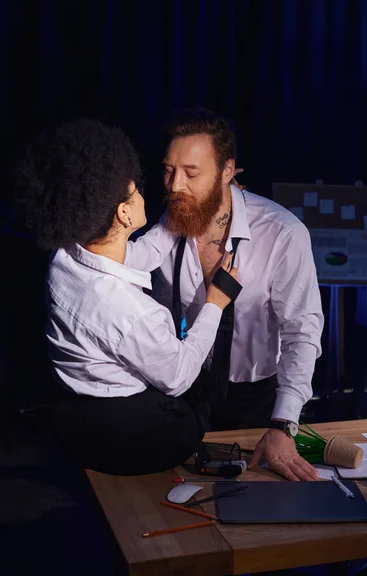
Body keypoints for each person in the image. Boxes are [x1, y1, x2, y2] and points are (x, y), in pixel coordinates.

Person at [13, 118, 240, 476]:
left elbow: (135, 255)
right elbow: (178, 376)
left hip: (71, 417)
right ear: (123, 212)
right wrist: (215, 302)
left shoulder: (64, 257)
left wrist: (175, 216)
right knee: (189, 412)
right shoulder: (132, 311)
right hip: (119, 433)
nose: (147, 192)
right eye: (134, 192)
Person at [146, 108, 325, 482]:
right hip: (185, 390)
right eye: (168, 170)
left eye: (191, 173)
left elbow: (301, 333)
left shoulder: (282, 233)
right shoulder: (162, 230)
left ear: (228, 171)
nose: (175, 185)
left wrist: (283, 424)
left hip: (258, 399)